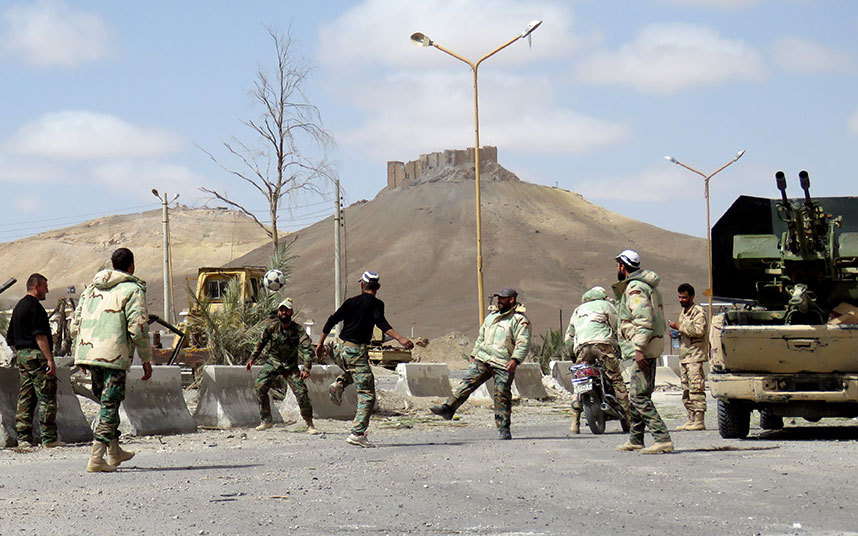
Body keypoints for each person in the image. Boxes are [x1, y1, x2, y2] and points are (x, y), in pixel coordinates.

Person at [71, 248, 152, 472]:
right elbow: (138, 326)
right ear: (131, 266)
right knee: (110, 404)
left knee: (107, 401)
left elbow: (75, 322)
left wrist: (80, 355)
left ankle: (114, 452)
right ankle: (96, 458)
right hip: (114, 355)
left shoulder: (90, 289)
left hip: (91, 355)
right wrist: (146, 358)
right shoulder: (132, 289)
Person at [315, 270, 414, 448]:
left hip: (339, 350)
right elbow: (381, 323)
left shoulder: (350, 302)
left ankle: (338, 384)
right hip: (356, 351)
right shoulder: (377, 304)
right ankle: (358, 433)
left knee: (358, 372)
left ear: (362, 285)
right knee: (367, 394)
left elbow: (331, 320)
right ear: (378, 287)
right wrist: (400, 338)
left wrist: (321, 344)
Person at [430, 287, 532, 440]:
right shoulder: (491, 317)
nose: (499, 301)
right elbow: (481, 337)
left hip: (503, 362)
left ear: (511, 300)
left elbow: (523, 343)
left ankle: (503, 428)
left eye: (502, 298)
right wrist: (474, 355)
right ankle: (448, 408)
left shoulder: (519, 321)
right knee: (466, 383)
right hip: (483, 359)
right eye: (498, 298)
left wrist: (515, 360)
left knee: (501, 394)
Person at [612, 250, 673, 454]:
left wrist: (638, 349)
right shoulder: (647, 287)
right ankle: (636, 439)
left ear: (623, 266)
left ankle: (662, 438)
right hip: (650, 346)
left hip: (643, 348)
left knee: (639, 397)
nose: (617, 269)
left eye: (618, 265)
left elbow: (643, 320)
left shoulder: (635, 289)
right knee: (637, 394)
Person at [246, 298, 319, 434]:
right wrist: (252, 359)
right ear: (278, 312)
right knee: (260, 386)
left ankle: (309, 424)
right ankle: (266, 420)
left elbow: (307, 349)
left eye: (286, 310)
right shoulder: (271, 328)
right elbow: (260, 343)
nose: (283, 312)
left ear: (291, 312)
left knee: (301, 392)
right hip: (273, 362)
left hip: (290, 365)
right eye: (281, 310)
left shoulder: (298, 330)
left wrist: (307, 368)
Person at [564, 286, 629, 434]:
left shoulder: (577, 310)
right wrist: (621, 347)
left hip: (581, 348)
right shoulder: (606, 305)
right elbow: (617, 326)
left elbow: (568, 338)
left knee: (579, 383)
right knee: (616, 379)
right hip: (602, 345)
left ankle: (575, 422)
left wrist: (573, 356)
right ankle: (629, 418)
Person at [7, 273, 61, 448]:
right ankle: (49, 438)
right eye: (45, 286)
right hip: (37, 355)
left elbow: (11, 339)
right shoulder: (35, 308)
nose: (47, 290)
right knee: (46, 396)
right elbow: (40, 336)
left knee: (26, 396)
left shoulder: (19, 307)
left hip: (23, 356)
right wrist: (49, 360)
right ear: (36, 286)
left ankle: (23, 437)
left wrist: (23, 354)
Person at [669, 283, 709, 431]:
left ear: (691, 297)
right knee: (686, 389)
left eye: (684, 297)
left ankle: (699, 420)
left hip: (695, 356)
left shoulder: (698, 312)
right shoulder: (684, 312)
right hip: (685, 356)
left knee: (696, 388)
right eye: (679, 297)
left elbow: (698, 331)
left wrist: (679, 327)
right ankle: (691, 418)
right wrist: (677, 333)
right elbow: (687, 331)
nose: (681, 300)